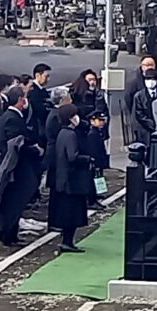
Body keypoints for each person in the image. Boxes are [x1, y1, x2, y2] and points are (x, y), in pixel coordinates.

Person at [0, 86, 47, 242]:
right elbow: (16, 144)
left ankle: (11, 233)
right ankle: (8, 233)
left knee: (15, 200)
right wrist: (35, 150)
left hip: (17, 165)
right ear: (19, 100)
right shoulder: (11, 118)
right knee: (13, 201)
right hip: (16, 166)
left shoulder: (12, 116)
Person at [49, 104, 94, 253]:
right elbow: (72, 156)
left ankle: (67, 241)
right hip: (72, 180)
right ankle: (67, 241)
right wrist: (87, 159)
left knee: (68, 211)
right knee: (72, 212)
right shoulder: (70, 134)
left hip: (64, 178)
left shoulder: (63, 133)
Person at [132, 68, 157, 143]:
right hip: (144, 130)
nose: (151, 81)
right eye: (148, 78)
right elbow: (139, 114)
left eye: (153, 78)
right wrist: (152, 124)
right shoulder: (139, 96)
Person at [28, 63, 52, 144]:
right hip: (38, 126)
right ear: (38, 75)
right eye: (46, 76)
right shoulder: (34, 92)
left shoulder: (42, 90)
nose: (48, 79)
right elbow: (39, 109)